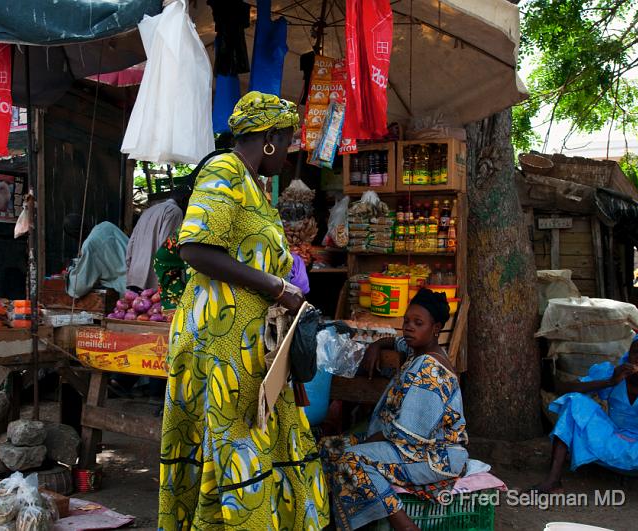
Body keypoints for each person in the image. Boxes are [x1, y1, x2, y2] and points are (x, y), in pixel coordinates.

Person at [158, 91, 329, 529]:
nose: (290, 155)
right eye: (288, 142)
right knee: (234, 446)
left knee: (249, 440)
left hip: (247, 342)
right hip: (218, 342)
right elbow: (195, 247)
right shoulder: (224, 169)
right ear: (269, 137)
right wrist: (278, 287)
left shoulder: (253, 183)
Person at [320, 289, 467, 531]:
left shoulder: (430, 370)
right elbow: (395, 341)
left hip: (434, 455)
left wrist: (365, 444)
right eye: (406, 321)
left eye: (418, 323)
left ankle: (403, 525)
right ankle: (339, 519)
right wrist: (377, 345)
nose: (409, 328)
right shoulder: (416, 349)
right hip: (406, 446)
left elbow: (406, 436)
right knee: (328, 448)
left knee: (353, 458)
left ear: (436, 328)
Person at [535, 331, 638, 493]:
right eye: (636, 353)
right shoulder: (614, 373)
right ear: (628, 353)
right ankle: (553, 480)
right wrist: (610, 382)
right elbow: (563, 389)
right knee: (575, 401)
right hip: (611, 438)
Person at [125, 188, 190, 293]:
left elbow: (131, 244)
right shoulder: (175, 211)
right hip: (152, 279)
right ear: (184, 199)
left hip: (135, 275)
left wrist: (129, 269)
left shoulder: (148, 211)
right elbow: (166, 246)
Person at [63, 214, 128, 299]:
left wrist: (71, 271)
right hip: (141, 278)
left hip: (125, 289)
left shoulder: (89, 245)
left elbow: (79, 286)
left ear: (74, 235)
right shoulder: (106, 225)